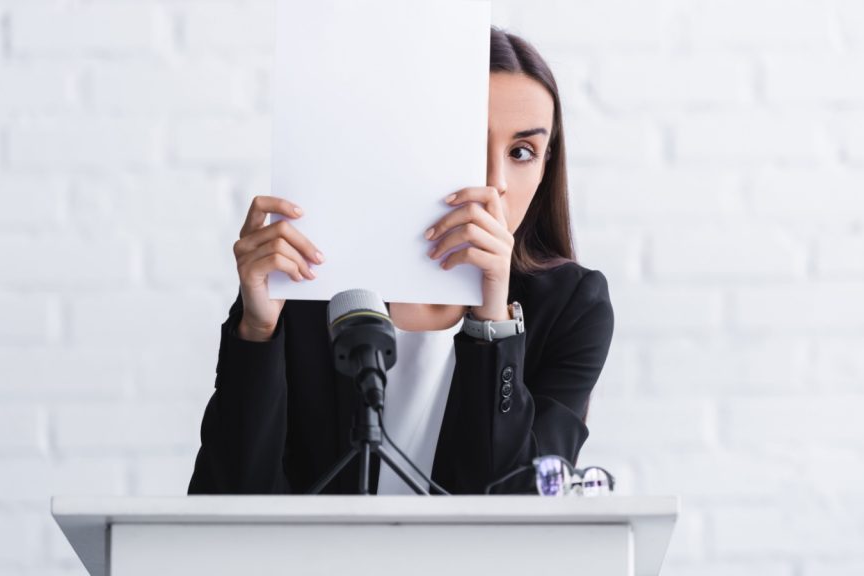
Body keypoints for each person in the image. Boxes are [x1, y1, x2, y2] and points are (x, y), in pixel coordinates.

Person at [187, 26, 614, 495]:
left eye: (522, 152)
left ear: (546, 164)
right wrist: (258, 332)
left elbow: (519, 506)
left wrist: (493, 320)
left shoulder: (574, 306)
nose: (496, 182)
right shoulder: (310, 281)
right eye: (468, 144)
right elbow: (226, 499)